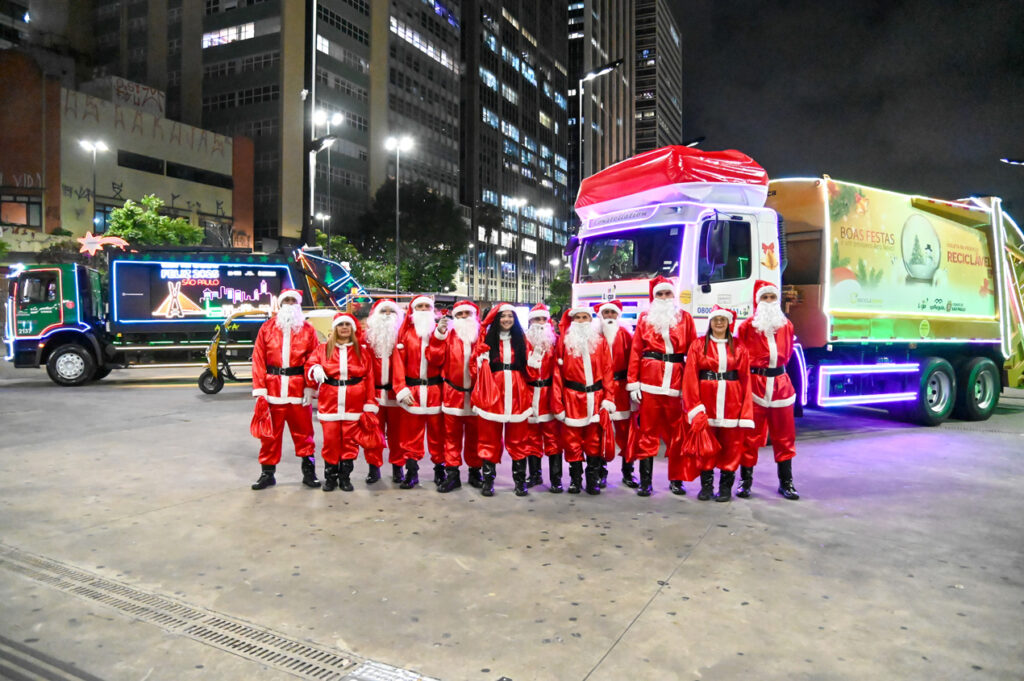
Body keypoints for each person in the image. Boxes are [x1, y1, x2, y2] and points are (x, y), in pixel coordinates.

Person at [625, 276, 698, 496]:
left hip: (676, 382)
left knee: (677, 433)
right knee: (647, 432)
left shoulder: (685, 318)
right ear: (653, 297)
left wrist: (691, 387)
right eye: (660, 294)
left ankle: (676, 480)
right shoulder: (645, 318)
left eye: (668, 294)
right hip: (649, 382)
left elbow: (693, 354)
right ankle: (646, 481)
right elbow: (636, 351)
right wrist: (633, 382)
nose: (665, 298)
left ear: (673, 296)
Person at [682, 305, 755, 502]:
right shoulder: (698, 345)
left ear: (729, 323)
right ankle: (706, 487)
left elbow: (746, 378)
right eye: (715, 319)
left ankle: (725, 488)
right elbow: (690, 376)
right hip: (707, 402)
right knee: (706, 446)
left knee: (731, 446)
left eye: (723, 319)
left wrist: (745, 410)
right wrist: (695, 407)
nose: (719, 322)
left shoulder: (739, 347)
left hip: (733, 401)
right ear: (710, 322)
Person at [250, 288, 320, 490]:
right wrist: (260, 391)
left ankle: (309, 473)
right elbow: (258, 360)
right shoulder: (267, 328)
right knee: (269, 435)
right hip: (272, 391)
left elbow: (314, 359)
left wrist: (310, 387)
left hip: (298, 391)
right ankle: (267, 474)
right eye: (286, 300)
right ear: (280, 304)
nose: (289, 304)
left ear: (298, 304)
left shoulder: (308, 330)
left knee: (305, 433)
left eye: (293, 300)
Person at [736, 280, 800, 500]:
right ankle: (745, 481)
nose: (770, 302)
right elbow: (740, 357)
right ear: (757, 300)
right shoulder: (746, 327)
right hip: (755, 385)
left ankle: (787, 482)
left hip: (781, 386)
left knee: (784, 436)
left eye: (773, 297)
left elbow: (789, 353)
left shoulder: (786, 325)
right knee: (750, 436)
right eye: (765, 297)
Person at [305, 312, 378, 492]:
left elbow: (369, 378)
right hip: (330, 402)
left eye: (347, 325)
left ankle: (345, 477)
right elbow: (310, 363)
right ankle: (330, 477)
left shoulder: (362, 351)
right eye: (340, 325)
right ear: (335, 328)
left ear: (352, 329)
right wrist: (315, 369)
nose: (344, 327)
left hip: (354, 403)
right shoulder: (323, 349)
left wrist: (369, 403)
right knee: (330, 441)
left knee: (350, 441)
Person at [470, 303, 534, 496]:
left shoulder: (521, 340)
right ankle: (488, 481)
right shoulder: (487, 340)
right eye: (503, 316)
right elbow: (474, 371)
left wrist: (535, 363)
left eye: (510, 316)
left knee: (519, 440)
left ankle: (520, 481)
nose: (507, 319)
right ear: (496, 319)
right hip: (493, 392)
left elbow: (529, 371)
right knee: (489, 438)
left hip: (517, 393)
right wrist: (478, 359)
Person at [552, 306, 616, 495]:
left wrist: (608, 398)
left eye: (585, 317)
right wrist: (558, 404)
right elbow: (557, 376)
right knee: (572, 441)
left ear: (591, 319)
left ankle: (592, 479)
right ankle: (575, 480)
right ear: (572, 321)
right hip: (572, 398)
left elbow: (607, 372)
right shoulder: (564, 343)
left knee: (594, 441)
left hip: (595, 399)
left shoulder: (600, 342)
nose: (581, 321)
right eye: (578, 318)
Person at [394, 295, 448, 489]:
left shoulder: (441, 333)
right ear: (413, 310)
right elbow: (398, 363)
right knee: (411, 434)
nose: (424, 309)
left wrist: (440, 337)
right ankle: (412, 471)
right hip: (412, 390)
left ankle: (440, 470)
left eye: (428, 306)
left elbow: (439, 360)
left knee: (438, 434)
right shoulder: (405, 334)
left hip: (435, 390)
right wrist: (400, 388)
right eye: (420, 306)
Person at [438, 300, 482, 493]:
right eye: (460, 314)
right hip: (452, 393)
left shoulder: (482, 336)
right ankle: (452, 475)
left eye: (467, 313)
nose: (464, 317)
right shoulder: (448, 336)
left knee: (476, 437)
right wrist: (438, 336)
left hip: (477, 395)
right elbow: (435, 358)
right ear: (454, 317)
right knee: (451, 437)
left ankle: (475, 472)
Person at [594, 299, 637, 488]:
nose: (609, 317)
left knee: (626, 432)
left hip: (621, 387)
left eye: (613, 313)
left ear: (618, 315)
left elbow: (634, 360)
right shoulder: (594, 336)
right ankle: (600, 471)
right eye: (606, 313)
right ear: (600, 316)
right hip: (600, 389)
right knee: (600, 430)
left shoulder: (626, 335)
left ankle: (628, 471)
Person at [363, 299, 407, 485]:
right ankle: (374, 468)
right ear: (375, 316)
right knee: (373, 433)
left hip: (397, 396)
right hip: (373, 396)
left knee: (399, 435)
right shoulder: (367, 338)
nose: (388, 314)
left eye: (392, 311)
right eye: (384, 311)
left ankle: (398, 467)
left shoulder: (405, 337)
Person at [523, 303, 563, 492]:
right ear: (530, 322)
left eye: (543, 319)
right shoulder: (523, 341)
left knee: (553, 437)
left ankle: (556, 478)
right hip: (529, 394)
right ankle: (535, 475)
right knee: (531, 437)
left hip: (549, 395)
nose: (540, 323)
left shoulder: (556, 342)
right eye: (536, 319)